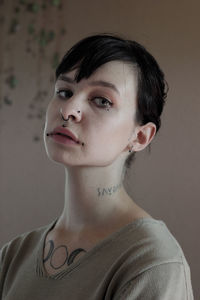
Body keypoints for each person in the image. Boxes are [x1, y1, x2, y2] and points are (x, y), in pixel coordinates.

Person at [0, 34, 194, 299]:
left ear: (139, 137)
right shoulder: (13, 257)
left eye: (102, 100)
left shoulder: (151, 262)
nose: (68, 109)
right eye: (64, 92)